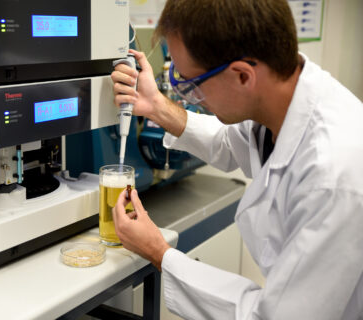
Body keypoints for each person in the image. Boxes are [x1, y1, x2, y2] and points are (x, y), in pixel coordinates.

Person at [110, 0, 363, 319]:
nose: (187, 95)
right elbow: (230, 141)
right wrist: (157, 106)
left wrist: (159, 252)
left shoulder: (333, 177)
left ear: (242, 75)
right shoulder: (287, 101)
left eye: (190, 84)